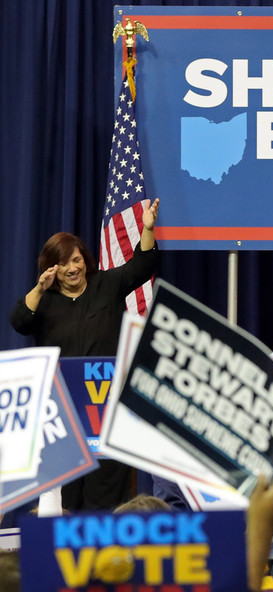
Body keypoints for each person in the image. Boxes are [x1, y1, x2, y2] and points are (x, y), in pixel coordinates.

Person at [9, 198, 161, 510]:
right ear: (52, 267)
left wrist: (147, 229)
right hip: (62, 411)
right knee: (65, 495)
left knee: (106, 492)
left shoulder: (105, 284)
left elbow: (142, 266)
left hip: (105, 407)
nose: (73, 267)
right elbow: (19, 321)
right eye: (64, 263)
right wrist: (39, 288)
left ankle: (106, 554)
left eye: (77, 259)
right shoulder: (45, 301)